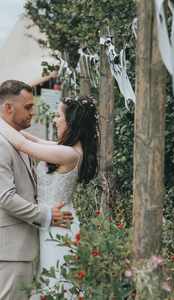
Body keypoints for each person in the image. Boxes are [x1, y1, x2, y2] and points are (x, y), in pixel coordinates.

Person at [0, 80, 99, 298]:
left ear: (70, 122)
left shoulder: (69, 154)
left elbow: (24, 145)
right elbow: (31, 138)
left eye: (58, 116)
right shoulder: (66, 149)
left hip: (56, 224)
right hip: (51, 221)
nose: (54, 120)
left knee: (55, 283)